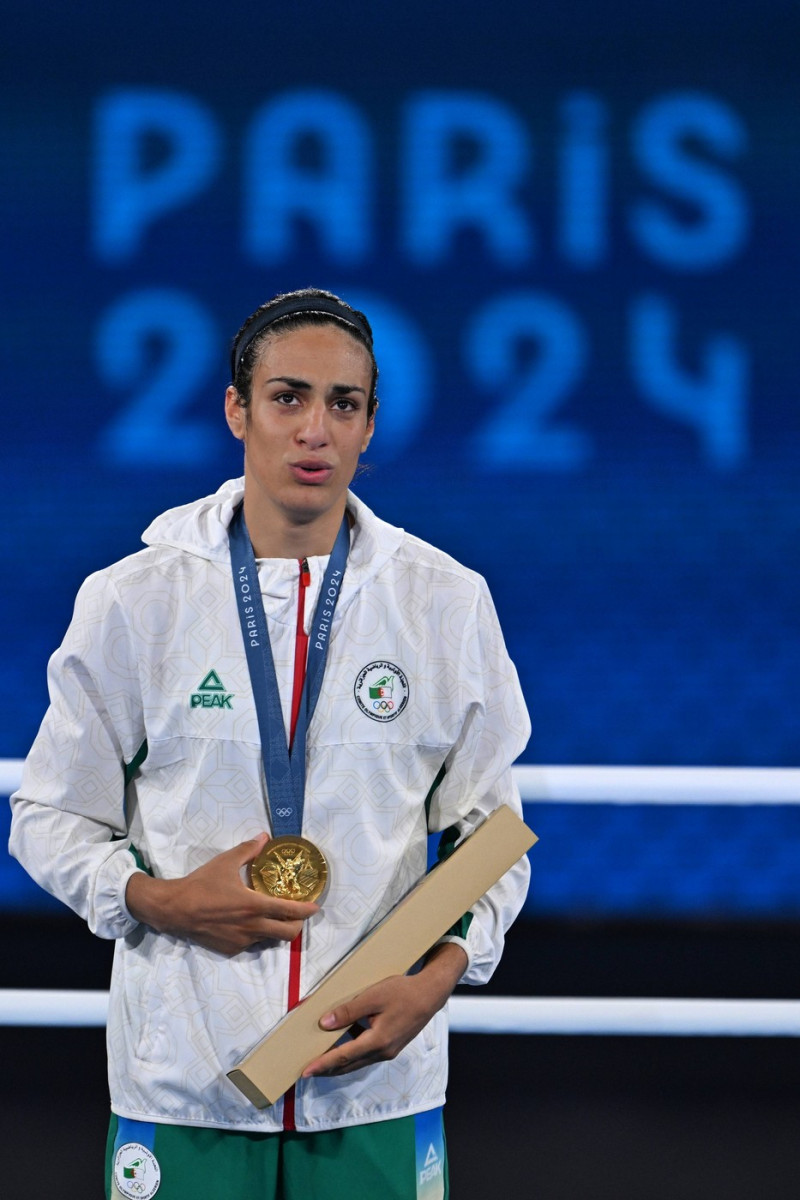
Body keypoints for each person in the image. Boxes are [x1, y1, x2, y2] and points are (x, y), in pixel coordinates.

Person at [9, 288, 531, 1200]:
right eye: (288, 398)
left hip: (375, 1087)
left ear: (371, 426)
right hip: (185, 1082)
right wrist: (156, 899)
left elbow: (492, 837)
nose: (315, 431)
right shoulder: (136, 600)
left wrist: (436, 979)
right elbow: (48, 816)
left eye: (344, 404)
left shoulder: (445, 605)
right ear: (236, 409)